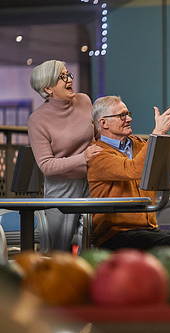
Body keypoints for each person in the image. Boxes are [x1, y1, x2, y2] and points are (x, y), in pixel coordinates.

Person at [87, 95, 170, 298]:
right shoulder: (97, 155)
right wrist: (157, 133)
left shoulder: (140, 146)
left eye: (128, 114)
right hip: (116, 235)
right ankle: (163, 309)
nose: (129, 118)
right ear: (103, 123)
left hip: (148, 231)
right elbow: (134, 170)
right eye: (122, 115)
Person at [28, 60, 102, 252]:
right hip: (61, 188)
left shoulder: (84, 100)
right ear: (48, 88)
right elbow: (46, 165)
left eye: (68, 74)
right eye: (62, 77)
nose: (69, 79)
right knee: (58, 250)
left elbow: (96, 135)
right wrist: (82, 158)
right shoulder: (37, 120)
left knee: (93, 244)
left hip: (92, 181)